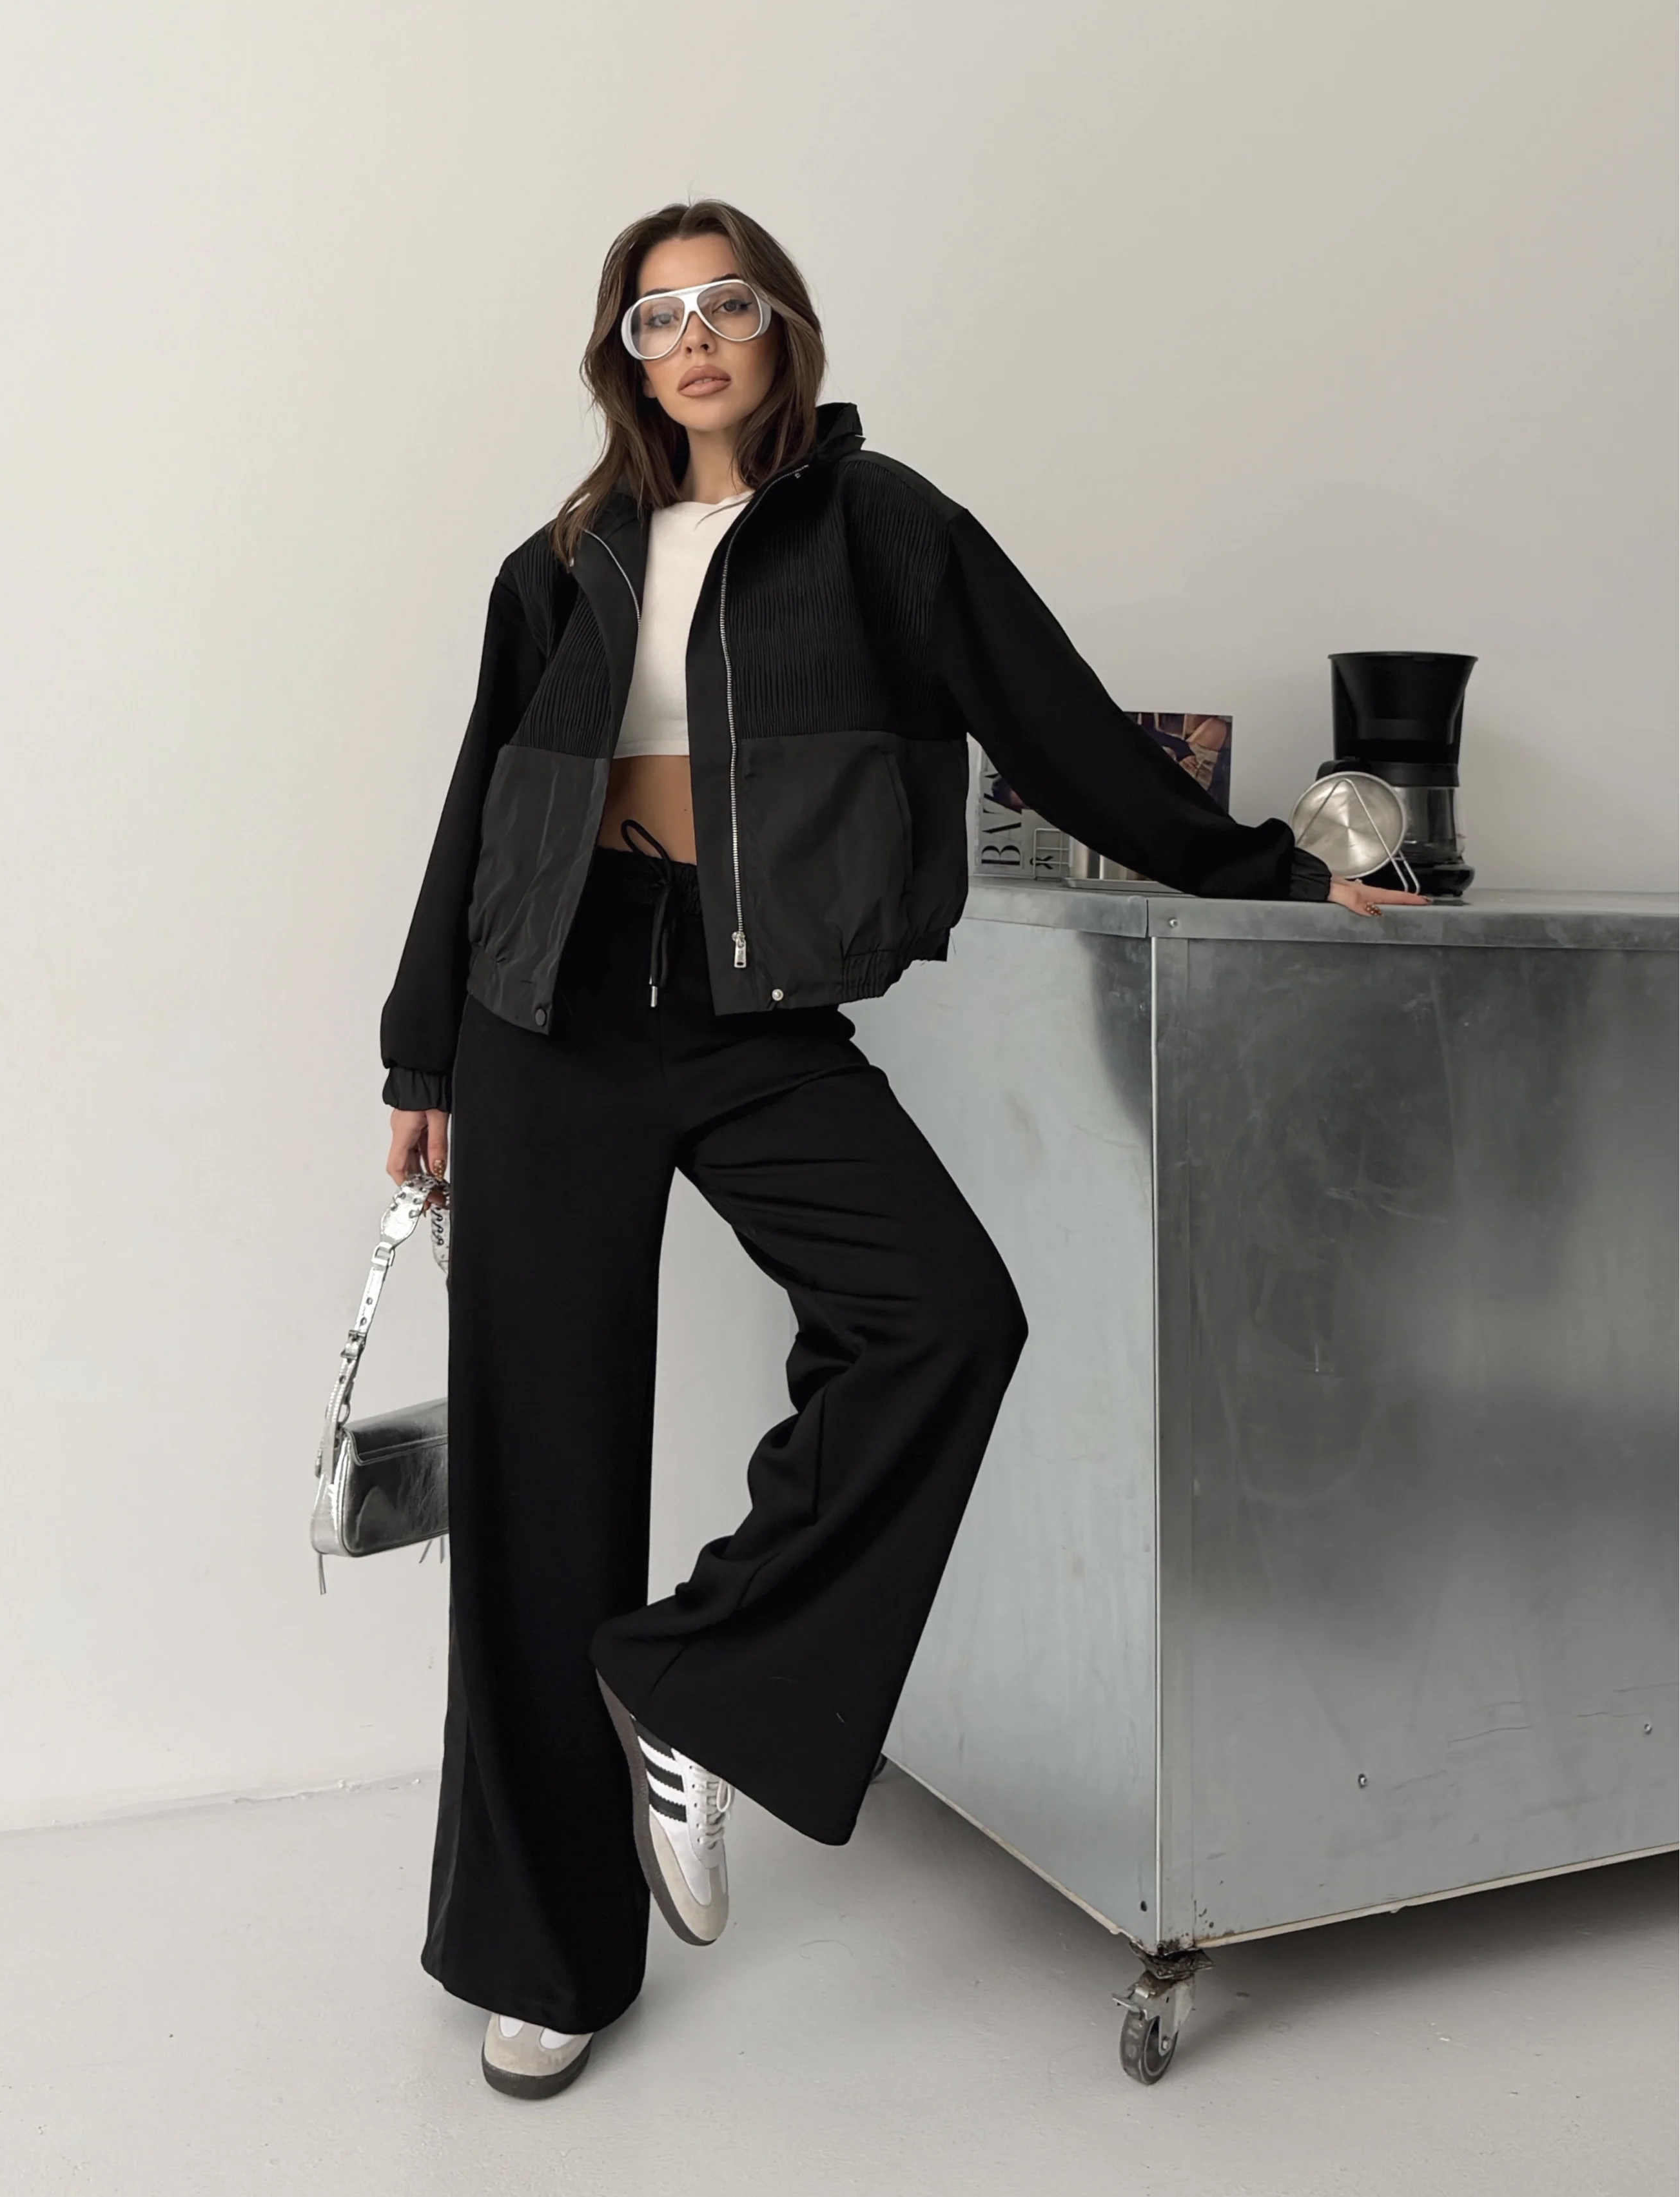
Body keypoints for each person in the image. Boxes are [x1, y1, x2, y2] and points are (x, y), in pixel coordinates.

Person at [378, 199, 1418, 2100]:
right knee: (539, 1474)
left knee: (941, 1318)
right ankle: (544, 1958)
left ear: (785, 327)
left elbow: (1055, 723)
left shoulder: (882, 527)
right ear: (624, 354)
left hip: (753, 1012)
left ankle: (693, 1677)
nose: (694, 338)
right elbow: (480, 796)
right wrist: (418, 1046)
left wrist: (1262, 868)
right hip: (546, 1012)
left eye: (727, 304)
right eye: (657, 316)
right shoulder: (567, 555)